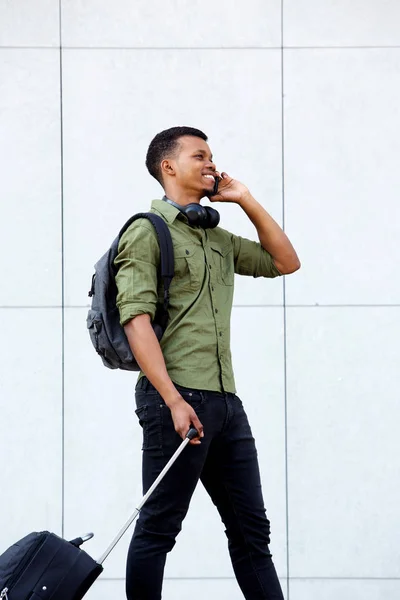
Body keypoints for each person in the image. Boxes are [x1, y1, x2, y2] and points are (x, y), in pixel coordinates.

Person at [114, 126, 300, 600]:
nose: (211, 164)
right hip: (176, 401)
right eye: (200, 156)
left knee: (252, 535)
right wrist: (172, 400)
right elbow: (135, 320)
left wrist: (247, 200)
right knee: (158, 530)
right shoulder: (146, 231)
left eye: (213, 156)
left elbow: (285, 262)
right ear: (168, 166)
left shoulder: (215, 236)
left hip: (226, 404)